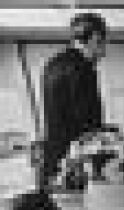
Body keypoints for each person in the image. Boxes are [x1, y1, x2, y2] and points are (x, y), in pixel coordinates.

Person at [41, 12, 106, 187]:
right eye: (102, 42)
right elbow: (87, 125)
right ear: (94, 38)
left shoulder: (52, 64)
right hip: (73, 165)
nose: (103, 52)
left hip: (53, 158)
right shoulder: (83, 69)